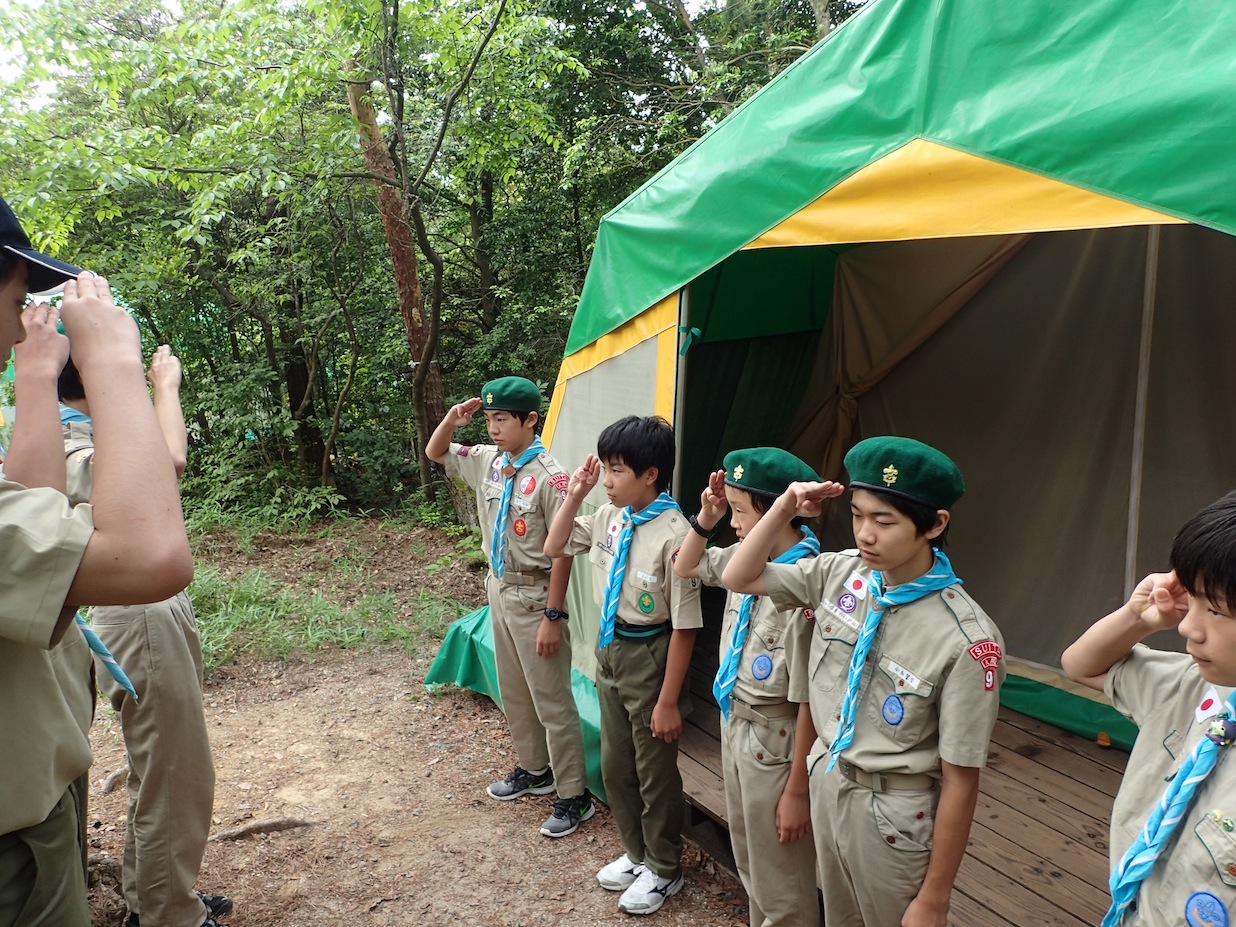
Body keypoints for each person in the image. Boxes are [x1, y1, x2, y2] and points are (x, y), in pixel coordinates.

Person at [0, 195, 193, 927]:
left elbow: (34, 511)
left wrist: (35, 380)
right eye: (15, 301)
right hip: (15, 840)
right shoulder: (89, 430)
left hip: (33, 799)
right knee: (170, 764)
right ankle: (166, 909)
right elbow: (152, 552)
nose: (20, 328)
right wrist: (119, 364)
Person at [722, 436, 1005, 927]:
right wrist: (785, 506)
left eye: (884, 521)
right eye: (857, 515)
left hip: (892, 815)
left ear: (935, 525)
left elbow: (962, 778)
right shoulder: (839, 573)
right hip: (828, 782)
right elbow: (739, 576)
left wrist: (935, 898)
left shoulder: (966, 640)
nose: (866, 534)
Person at [58, 351, 231, 927]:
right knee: (174, 771)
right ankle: (166, 915)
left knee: (165, 766)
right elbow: (168, 461)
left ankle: (157, 898)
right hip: (135, 614)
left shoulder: (85, 430)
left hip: (147, 609)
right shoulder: (66, 438)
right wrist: (166, 387)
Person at [544, 415, 702, 916]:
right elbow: (554, 546)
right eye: (605, 469)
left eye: (617, 471)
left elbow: (685, 627)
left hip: (650, 654)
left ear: (650, 474)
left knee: (654, 772)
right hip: (609, 648)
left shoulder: (676, 536)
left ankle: (665, 868)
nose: (607, 481)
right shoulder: (609, 516)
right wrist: (575, 494)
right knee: (616, 766)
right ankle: (637, 855)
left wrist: (668, 700)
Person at [425, 376, 592, 838]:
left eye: (502, 419)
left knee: (551, 698)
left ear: (530, 419)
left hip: (536, 596)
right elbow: (437, 452)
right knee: (514, 689)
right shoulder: (491, 461)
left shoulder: (552, 478)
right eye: (489, 419)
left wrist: (553, 615)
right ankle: (535, 769)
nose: (493, 428)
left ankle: (574, 795)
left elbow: (563, 550)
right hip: (499, 588)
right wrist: (452, 419)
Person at [1062, 491, 1236, 927]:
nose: (1188, 627)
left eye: (1216, 610)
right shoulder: (1192, 687)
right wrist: (1136, 617)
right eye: (1192, 601)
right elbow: (1081, 666)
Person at [672, 448, 822, 927]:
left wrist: (797, 789)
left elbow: (810, 700)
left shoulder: (809, 583)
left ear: (778, 511)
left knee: (781, 879)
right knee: (751, 860)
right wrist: (708, 516)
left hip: (777, 743)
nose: (734, 523)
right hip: (736, 725)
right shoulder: (744, 557)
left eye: (740, 511)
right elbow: (686, 565)